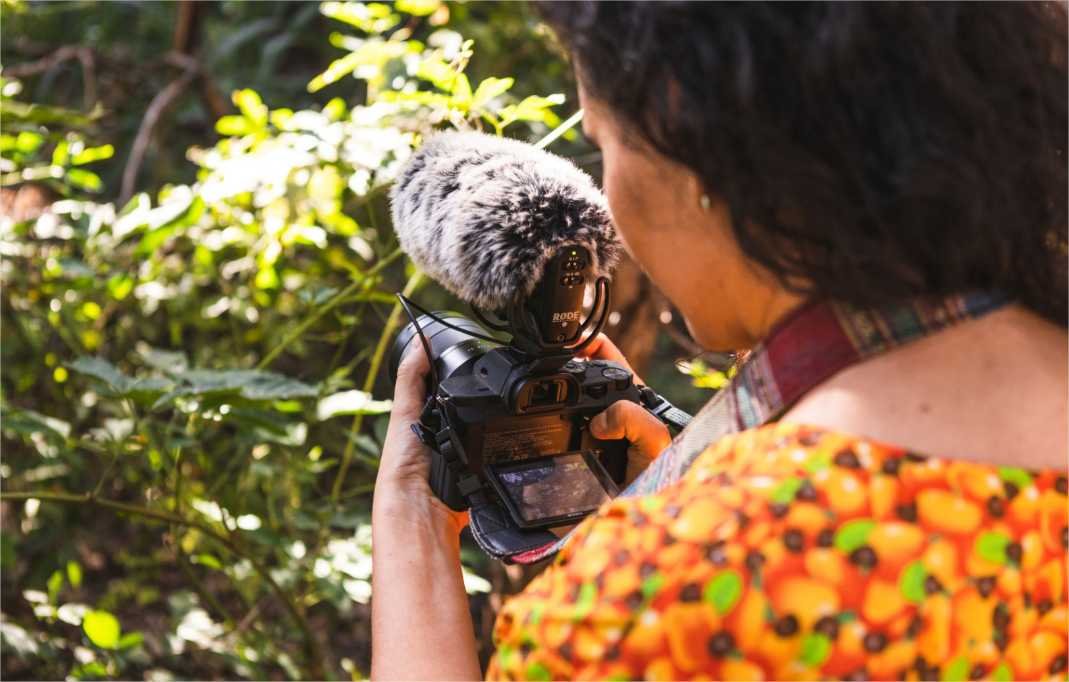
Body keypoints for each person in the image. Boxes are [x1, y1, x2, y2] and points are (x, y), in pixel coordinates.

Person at [370, 3, 1068, 680]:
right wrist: (698, 474)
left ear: (690, 139)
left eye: (603, 144)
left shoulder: (661, 595)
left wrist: (412, 520)